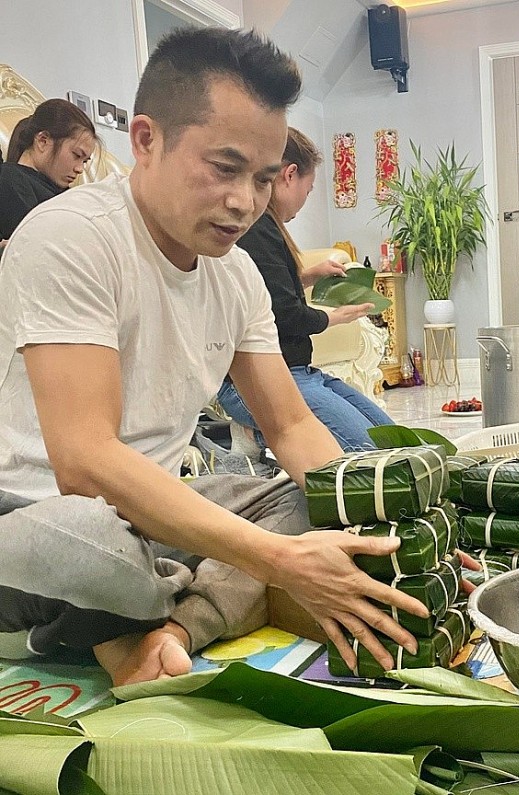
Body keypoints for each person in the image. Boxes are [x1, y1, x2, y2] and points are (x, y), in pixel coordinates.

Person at [0, 27, 432, 687]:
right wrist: (278, 562)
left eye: (262, 179)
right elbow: (84, 462)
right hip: (40, 515)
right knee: (93, 544)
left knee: (302, 501)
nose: (244, 202)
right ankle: (165, 602)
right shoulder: (71, 237)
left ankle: (169, 626)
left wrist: (371, 525)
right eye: (224, 168)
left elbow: (290, 429)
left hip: (154, 507)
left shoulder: (233, 276)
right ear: (146, 139)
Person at [217, 128, 393, 452]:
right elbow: (283, 314)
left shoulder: (265, 229)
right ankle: (258, 434)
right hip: (264, 382)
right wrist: (334, 317)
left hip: (298, 371)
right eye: (308, 190)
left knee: (393, 439)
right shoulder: (258, 229)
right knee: (370, 454)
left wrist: (308, 276)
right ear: (289, 174)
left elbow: (266, 292)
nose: (304, 200)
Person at [0, 98, 97, 239]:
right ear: (43, 141)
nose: (80, 169)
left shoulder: (66, 192)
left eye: (85, 161)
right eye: (76, 155)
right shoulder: (11, 180)